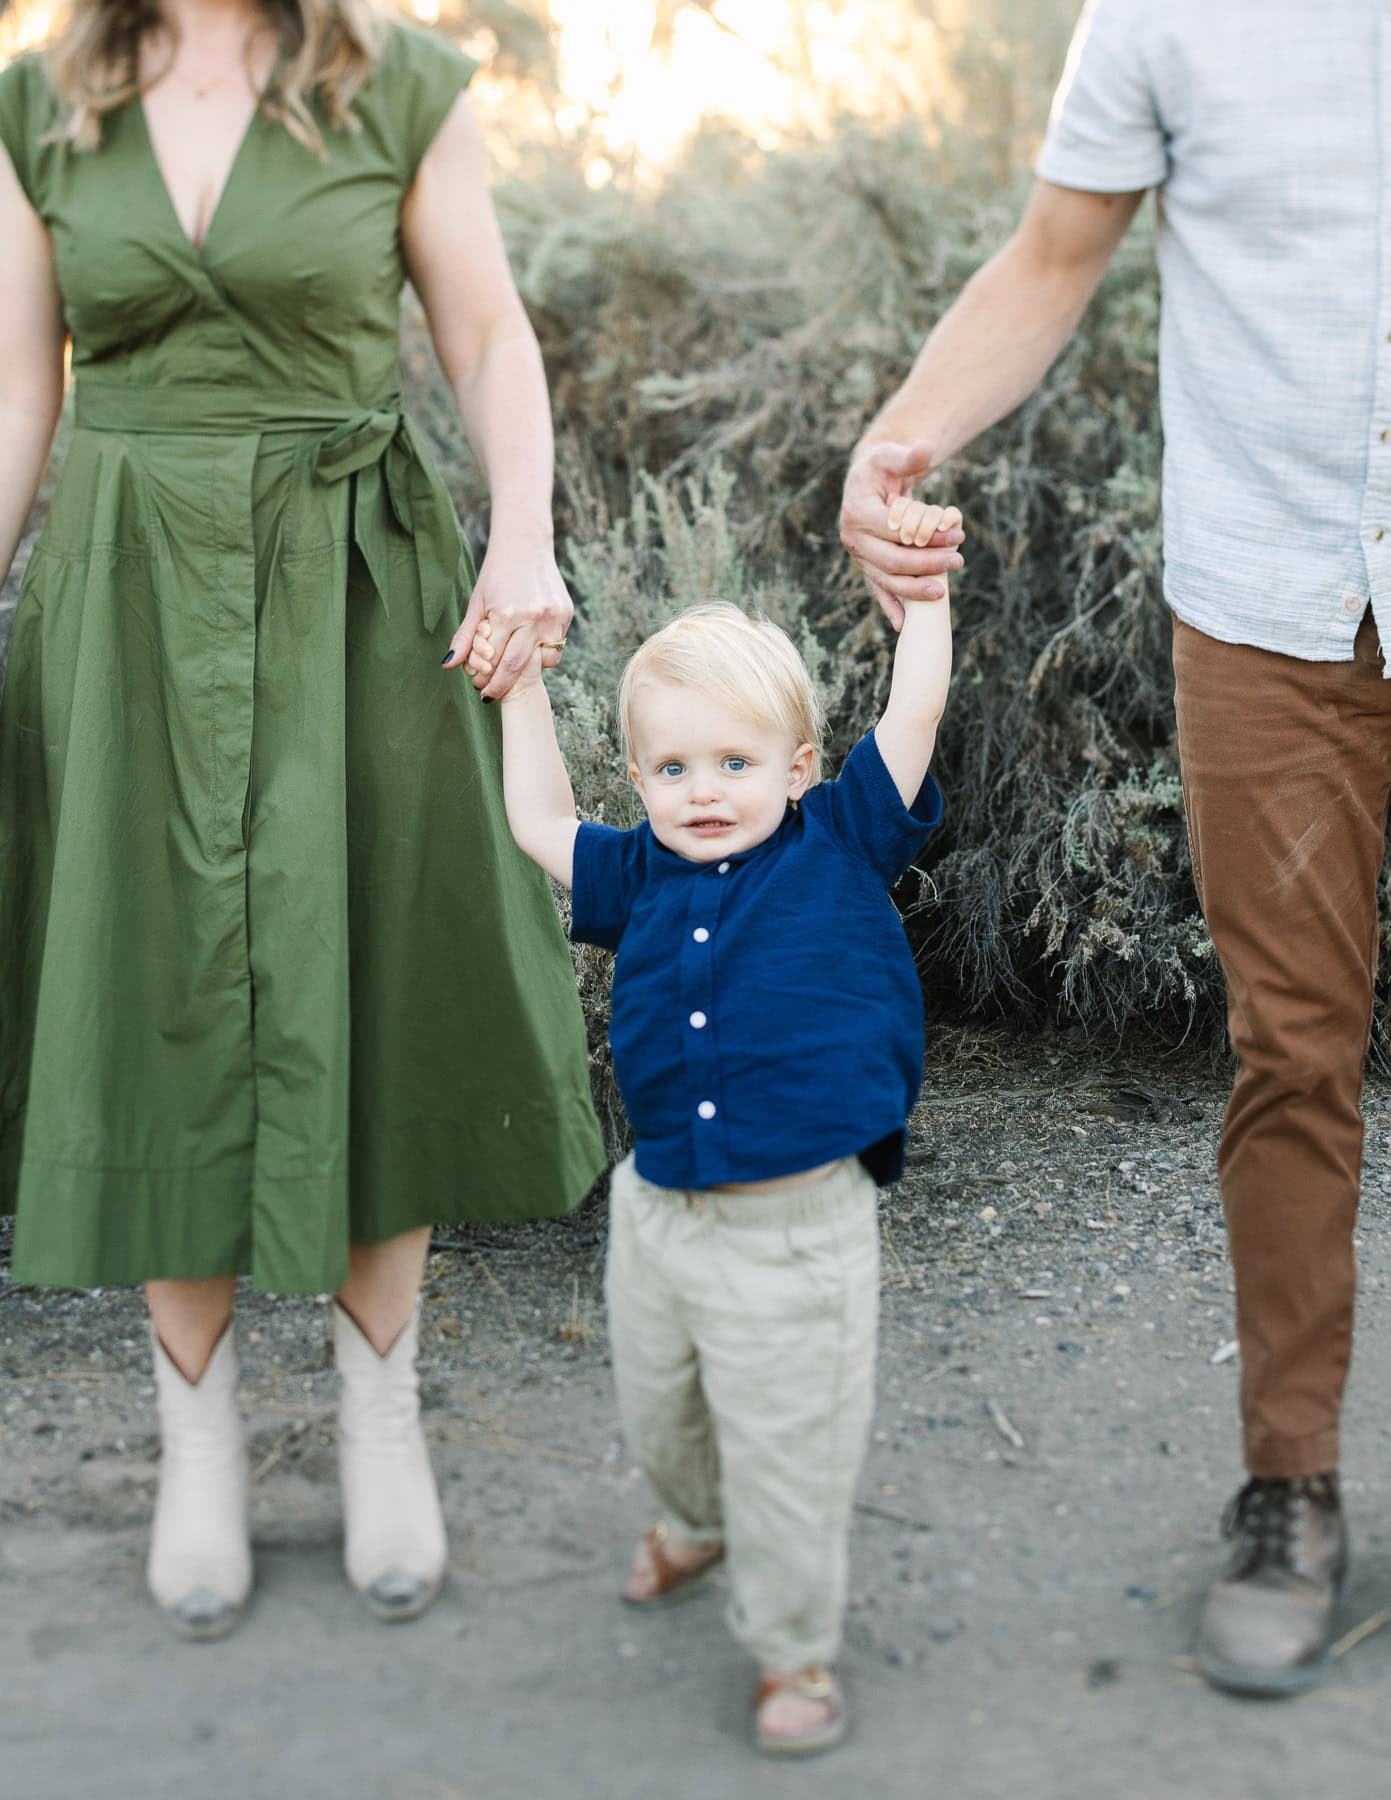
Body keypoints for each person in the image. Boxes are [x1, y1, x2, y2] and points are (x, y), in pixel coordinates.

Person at [0, 0, 606, 1640]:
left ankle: (380, 1421)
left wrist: (523, 539)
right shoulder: (35, 102)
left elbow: (485, 339)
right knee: (156, 991)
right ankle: (195, 1439)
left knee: (371, 980)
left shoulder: (399, 80)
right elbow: (14, 397)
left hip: (355, 587)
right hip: (123, 599)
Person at [838, 0, 1388, 1698]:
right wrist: (898, 439)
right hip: (1271, 600)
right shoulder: (1162, 12)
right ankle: (1290, 1488)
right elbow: (1053, 255)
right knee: (1290, 1053)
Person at [468, 558, 955, 1755]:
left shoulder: (839, 837)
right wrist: (523, 683)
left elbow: (913, 715)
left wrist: (928, 609)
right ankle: (691, 1520)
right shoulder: (634, 874)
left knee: (785, 1454)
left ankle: (793, 1651)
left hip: (794, 1231)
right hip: (658, 1211)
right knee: (661, 1405)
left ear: (795, 767)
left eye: (734, 764)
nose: (701, 792)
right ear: (637, 778)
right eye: (672, 769)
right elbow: (536, 819)